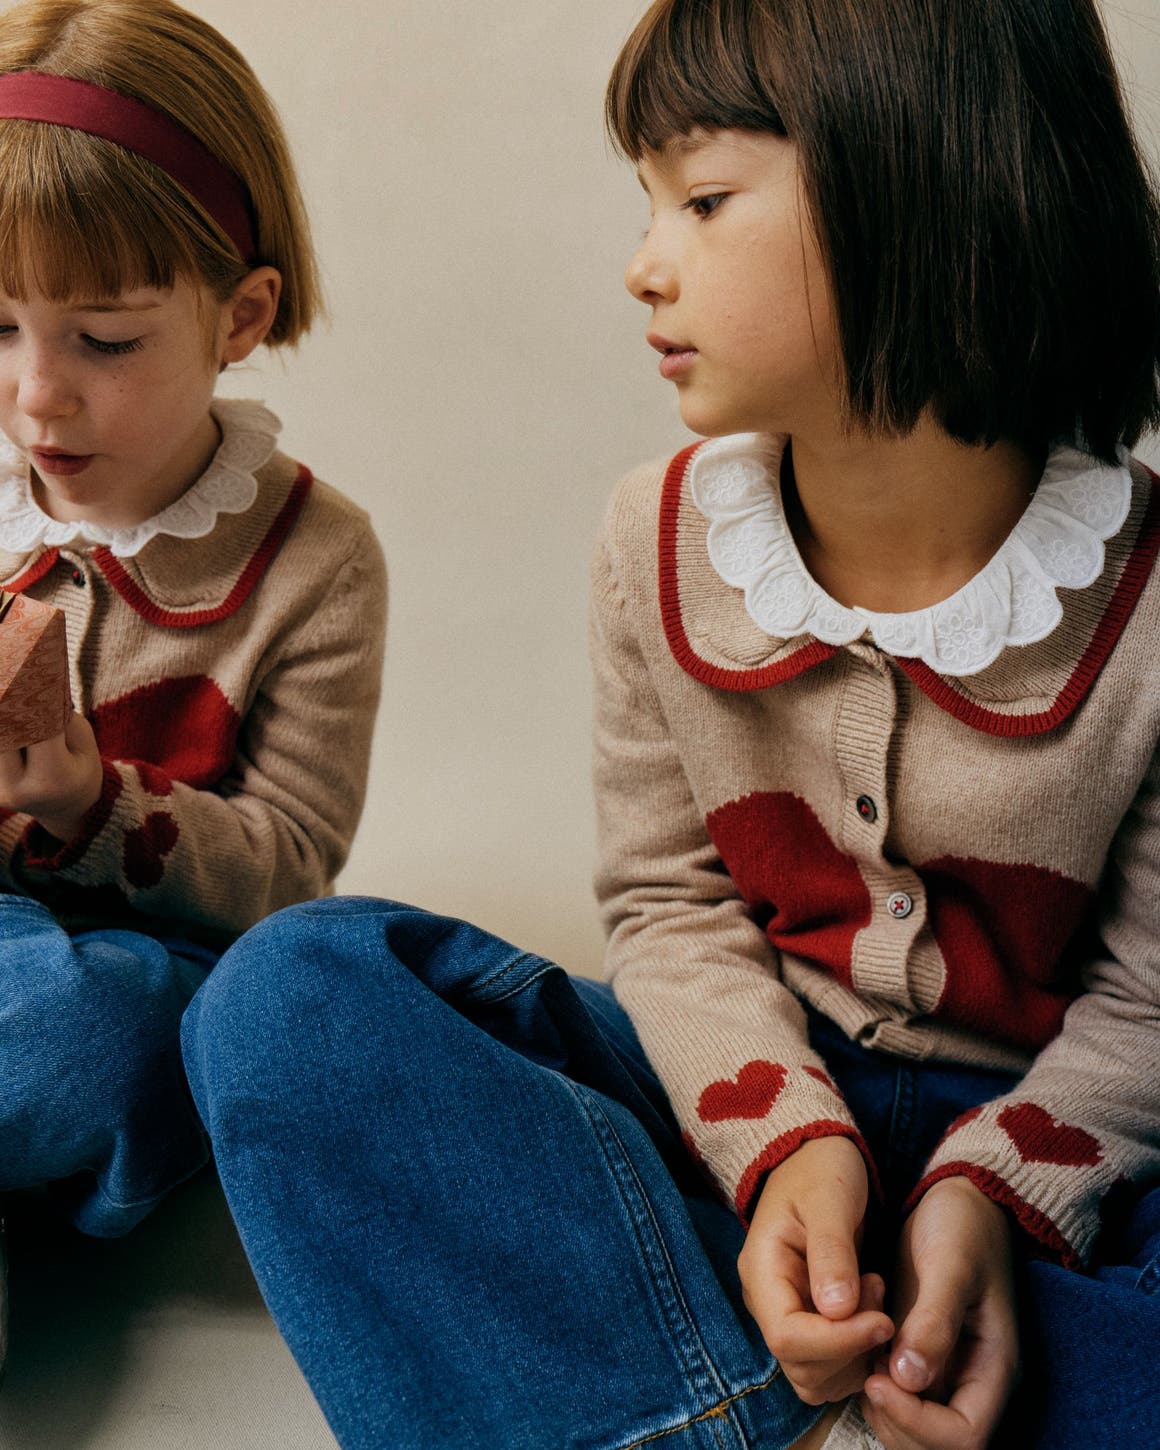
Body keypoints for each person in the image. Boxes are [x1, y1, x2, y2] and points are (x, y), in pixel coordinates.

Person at [181, 0, 1160, 1446]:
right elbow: (667, 901)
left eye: (701, 201)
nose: (645, 266)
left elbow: (1150, 1005)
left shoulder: (1140, 596)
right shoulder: (655, 542)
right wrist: (783, 1153)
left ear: (930, 183)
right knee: (283, 1003)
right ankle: (773, 1401)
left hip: (1061, 1156)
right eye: (651, 206)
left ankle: (784, 1355)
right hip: (734, 1107)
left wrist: (992, 1193)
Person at [0, 0, 385, 1370]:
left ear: (242, 315)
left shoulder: (316, 561)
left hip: (141, 975)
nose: (41, 401)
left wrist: (93, 802)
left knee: (81, 1033)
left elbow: (291, 875)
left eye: (104, 340)